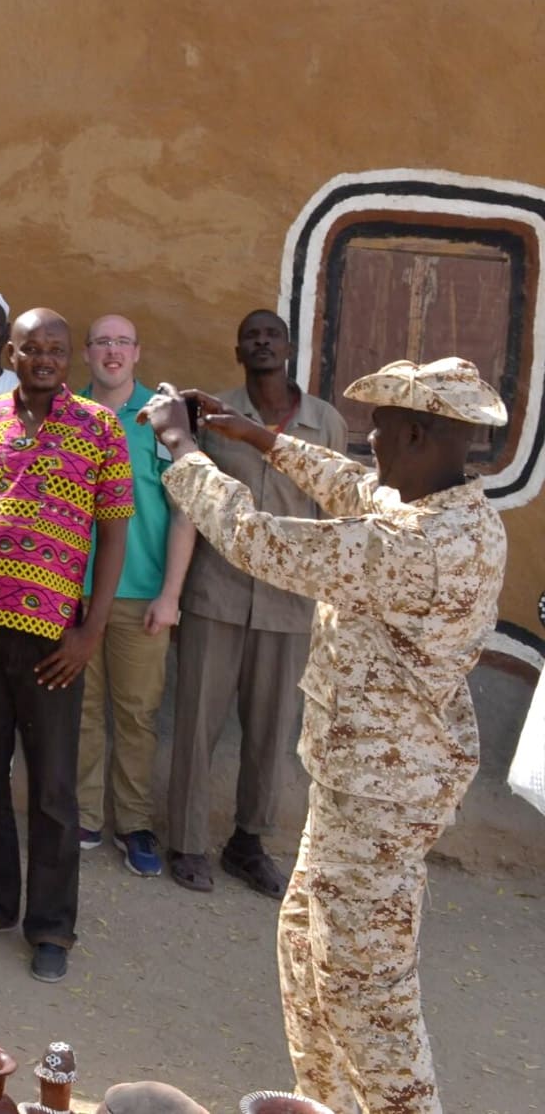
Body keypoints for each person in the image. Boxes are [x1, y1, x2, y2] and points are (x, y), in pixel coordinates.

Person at [146, 359, 506, 1114]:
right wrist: (257, 436)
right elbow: (356, 486)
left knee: (367, 997)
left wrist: (183, 451)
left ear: (418, 432)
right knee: (309, 960)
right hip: (356, 788)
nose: (368, 439)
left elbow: (256, 540)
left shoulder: (421, 549)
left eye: (379, 427)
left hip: (382, 801)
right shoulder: (439, 509)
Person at [0, 307, 131, 984]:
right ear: (10, 356)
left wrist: (90, 631)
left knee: (50, 787)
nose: (44, 358)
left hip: (53, 639)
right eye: (31, 348)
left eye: (56, 348)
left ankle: (51, 927)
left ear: (68, 358)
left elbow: (114, 537)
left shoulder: (100, 428)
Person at [168, 309, 348, 897]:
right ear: (238, 349)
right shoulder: (213, 414)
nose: (262, 342)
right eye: (252, 336)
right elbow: (192, 498)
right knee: (197, 722)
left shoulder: (326, 423)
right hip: (216, 592)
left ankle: (249, 843)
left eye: (272, 334)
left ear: (289, 347)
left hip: (290, 604)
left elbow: (334, 512)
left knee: (274, 732)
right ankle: (188, 842)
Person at [73, 315, 199, 875]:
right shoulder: (66, 413)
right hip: (73, 594)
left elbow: (184, 511)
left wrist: (171, 594)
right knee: (79, 712)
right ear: (87, 355)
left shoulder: (163, 417)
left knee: (137, 714)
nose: (112, 351)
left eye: (122, 342)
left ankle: (135, 824)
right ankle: (82, 817)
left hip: (142, 594)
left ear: (138, 353)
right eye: (102, 342)